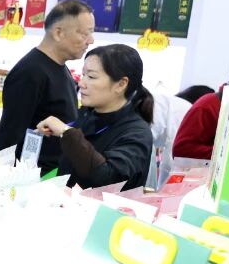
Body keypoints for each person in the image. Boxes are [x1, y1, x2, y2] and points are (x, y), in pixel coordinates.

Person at [0, 0, 95, 170]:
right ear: (58, 33)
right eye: (85, 34)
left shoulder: (60, 67)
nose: (91, 40)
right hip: (33, 177)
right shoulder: (30, 72)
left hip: (53, 174)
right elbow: (8, 138)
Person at [37, 44, 154, 192]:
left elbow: (107, 179)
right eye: (83, 75)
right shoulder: (85, 115)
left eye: (91, 77)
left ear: (121, 84)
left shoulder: (137, 132)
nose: (81, 83)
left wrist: (67, 133)